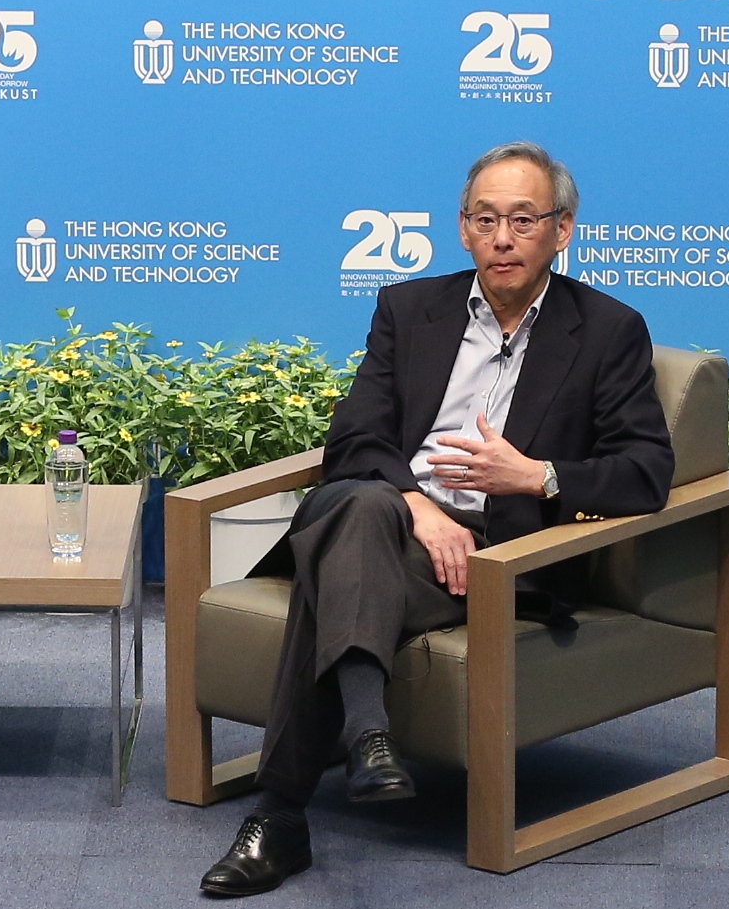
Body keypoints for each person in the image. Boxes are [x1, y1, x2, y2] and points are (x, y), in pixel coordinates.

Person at [199, 141, 674, 898]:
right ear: (461, 228)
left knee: (336, 559)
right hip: (395, 521)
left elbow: (647, 471)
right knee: (358, 503)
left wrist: (536, 475)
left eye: (524, 219)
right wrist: (417, 507)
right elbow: (354, 437)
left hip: (496, 558)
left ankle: (284, 812)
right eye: (485, 219)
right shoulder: (410, 309)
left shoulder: (609, 331)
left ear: (562, 229)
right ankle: (367, 735)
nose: (503, 237)